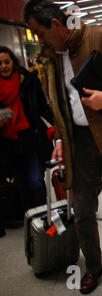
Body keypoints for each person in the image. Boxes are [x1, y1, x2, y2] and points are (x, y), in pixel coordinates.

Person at [23, 0, 102, 295]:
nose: (37, 40)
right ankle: (93, 267)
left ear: (56, 25)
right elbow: (58, 104)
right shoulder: (49, 58)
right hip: (79, 143)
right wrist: (58, 139)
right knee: (81, 211)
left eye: (38, 33)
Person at [0, 46, 54, 232]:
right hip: (7, 145)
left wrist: (56, 126)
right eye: (0, 63)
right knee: (21, 187)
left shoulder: (28, 81)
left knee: (36, 182)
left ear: (13, 62)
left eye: (7, 62)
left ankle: (47, 220)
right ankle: (34, 225)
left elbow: (41, 107)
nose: (4, 66)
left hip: (30, 139)